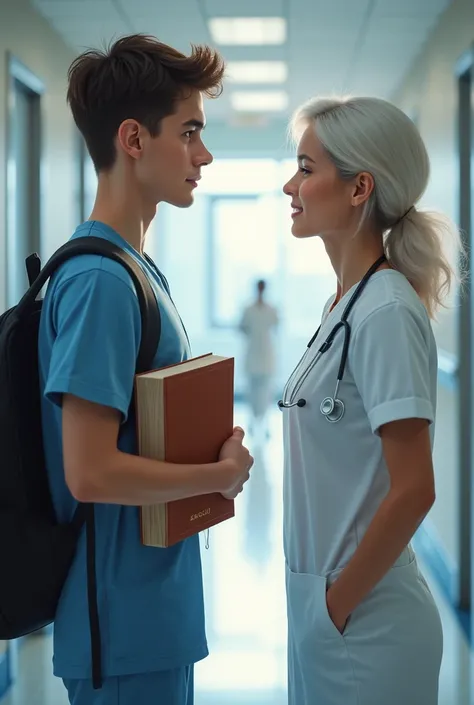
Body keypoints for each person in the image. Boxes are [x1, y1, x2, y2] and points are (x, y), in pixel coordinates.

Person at [38, 34, 253, 705]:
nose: (204, 154)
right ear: (133, 139)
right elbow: (90, 469)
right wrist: (217, 476)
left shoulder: (134, 270)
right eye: (189, 132)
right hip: (122, 632)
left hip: (150, 620)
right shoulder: (102, 280)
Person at [281, 95, 460, 705]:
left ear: (359, 189)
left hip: (366, 624)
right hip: (332, 611)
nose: (291, 185)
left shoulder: (384, 309)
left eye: (306, 169)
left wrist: (334, 607)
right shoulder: (345, 304)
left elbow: (415, 488)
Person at [239, 279, 279, 437]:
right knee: (251, 391)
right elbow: (241, 328)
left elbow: (276, 327)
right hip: (252, 353)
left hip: (266, 355)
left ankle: (265, 423)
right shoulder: (248, 309)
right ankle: (252, 422)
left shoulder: (272, 309)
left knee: (266, 392)